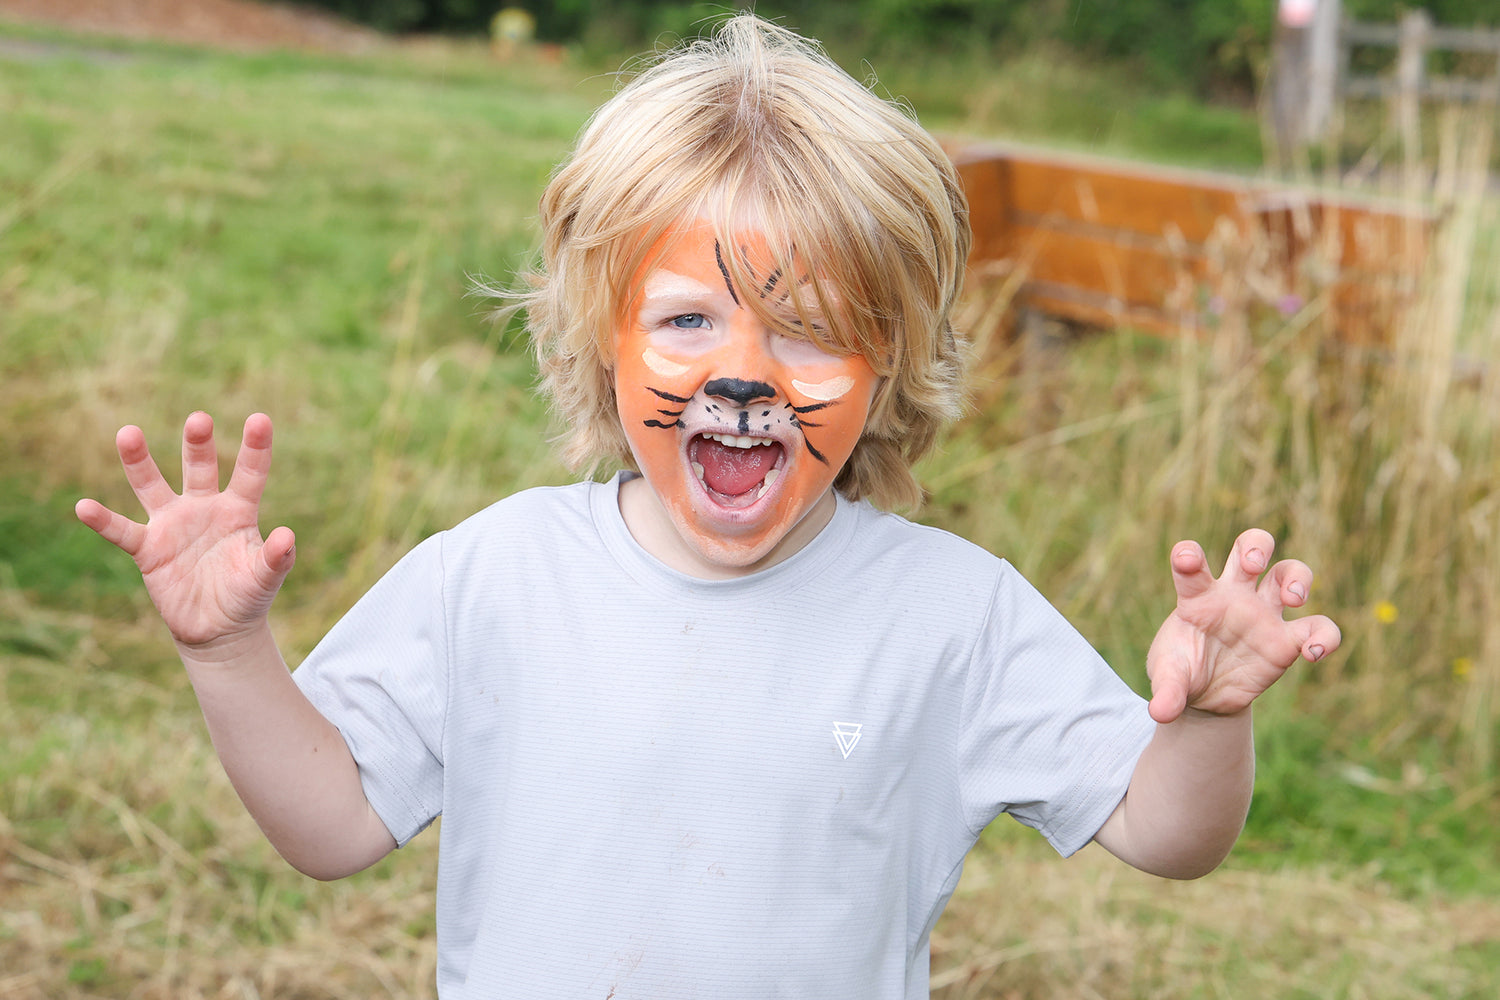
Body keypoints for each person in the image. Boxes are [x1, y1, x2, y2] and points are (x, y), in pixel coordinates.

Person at [75, 14, 1341, 999]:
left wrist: (1208, 718)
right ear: (601, 338)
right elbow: (332, 824)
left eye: (810, 332)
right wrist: (231, 652)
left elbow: (1167, 833)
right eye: (687, 320)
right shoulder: (496, 574)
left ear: (890, 363)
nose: (744, 378)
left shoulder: (953, 615)